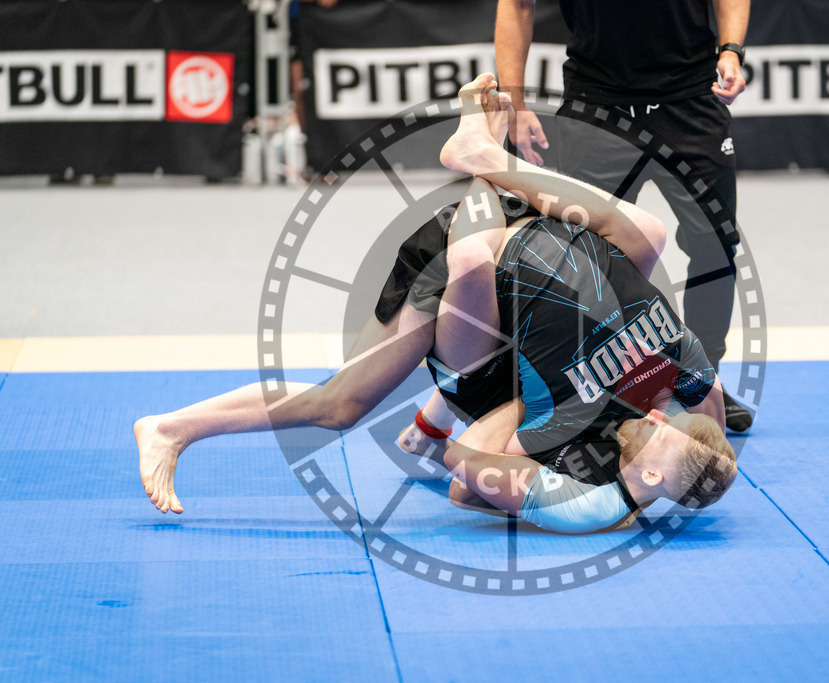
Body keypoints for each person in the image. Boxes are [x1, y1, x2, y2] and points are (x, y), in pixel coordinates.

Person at [135, 75, 736, 533]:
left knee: (341, 402)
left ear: (651, 475)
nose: (662, 414)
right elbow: (706, 420)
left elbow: (469, 482)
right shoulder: (682, 379)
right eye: (674, 412)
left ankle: (171, 428)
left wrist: (530, 406)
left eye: (665, 428)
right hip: (544, 258)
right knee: (650, 235)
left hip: (473, 278)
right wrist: (703, 445)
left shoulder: (590, 477)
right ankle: (486, 157)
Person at [495, 0, 754, 432]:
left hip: (690, 100)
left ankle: (702, 380)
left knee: (715, 247)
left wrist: (731, 50)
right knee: (581, 256)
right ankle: (597, 386)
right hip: (597, 104)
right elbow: (517, 6)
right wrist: (516, 105)